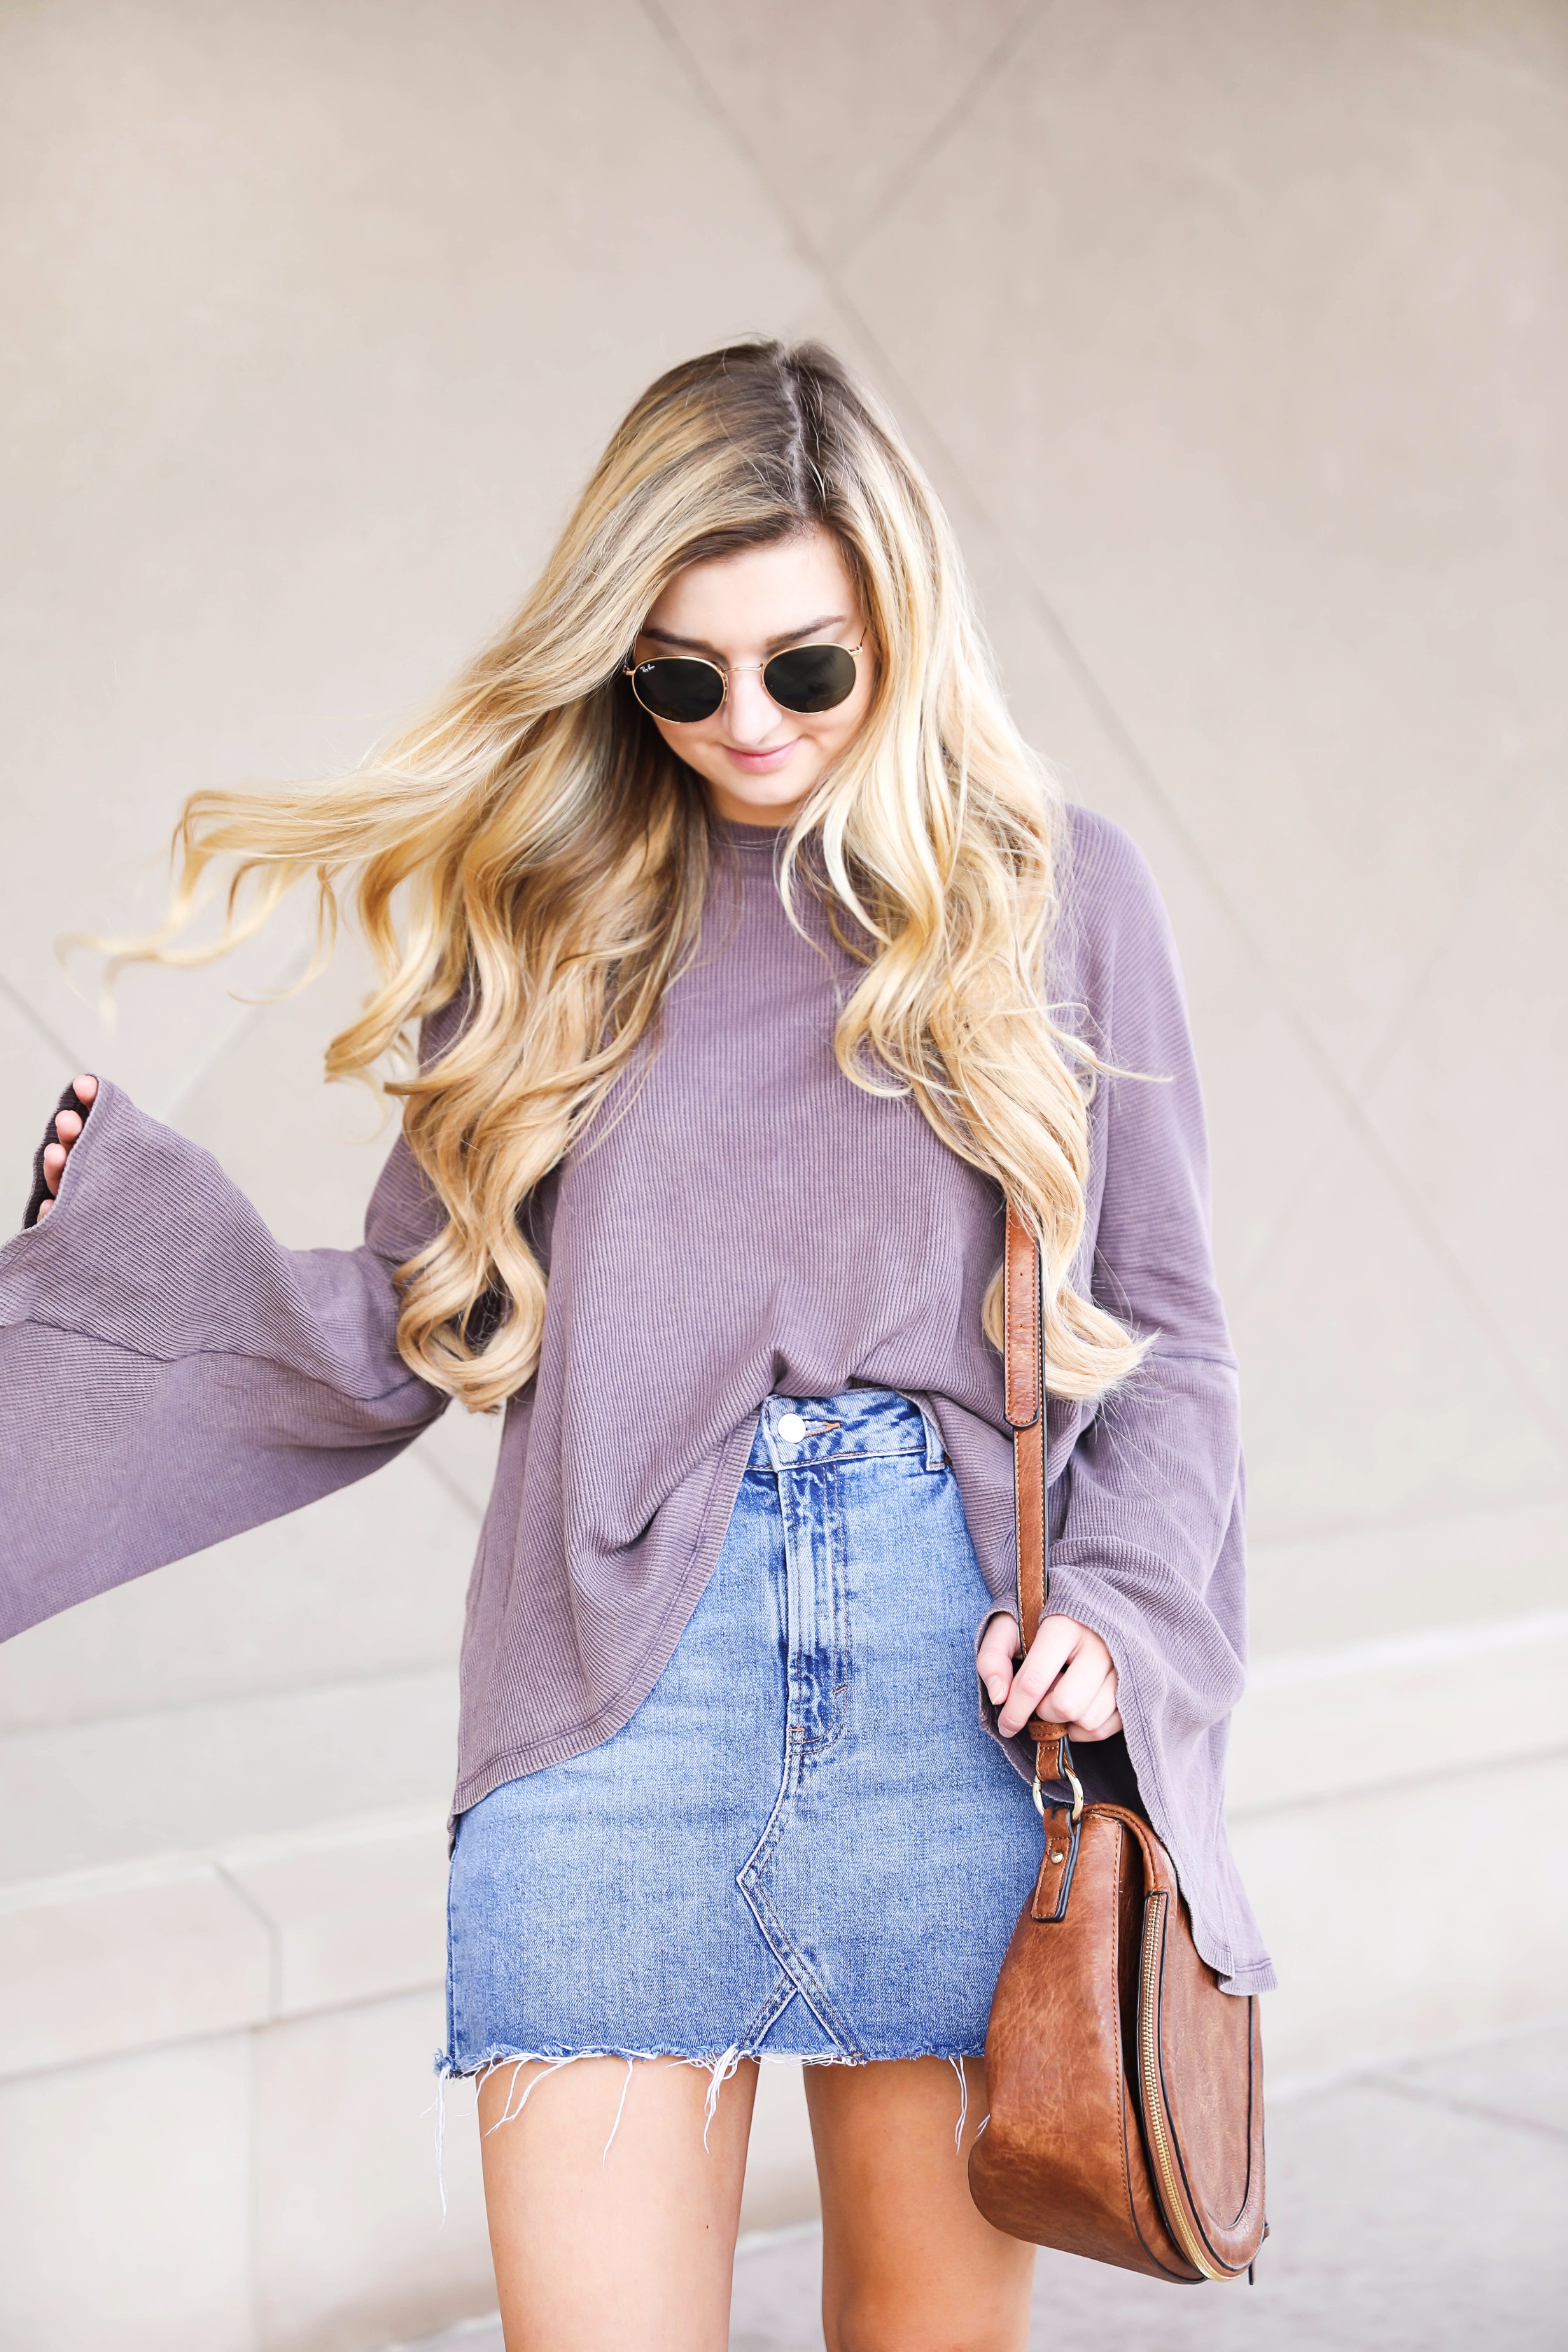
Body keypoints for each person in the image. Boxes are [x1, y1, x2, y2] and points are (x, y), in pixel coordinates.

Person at [2, 340, 1270, 2352]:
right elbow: (409, 1326)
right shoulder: (560, 908)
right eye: (679, 675)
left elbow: (1177, 1340)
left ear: (902, 628)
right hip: (605, 1713)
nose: (742, 723)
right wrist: (143, 1256)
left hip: (956, 1712)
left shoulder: (1051, 895)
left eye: (804, 666)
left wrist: (1116, 1607)